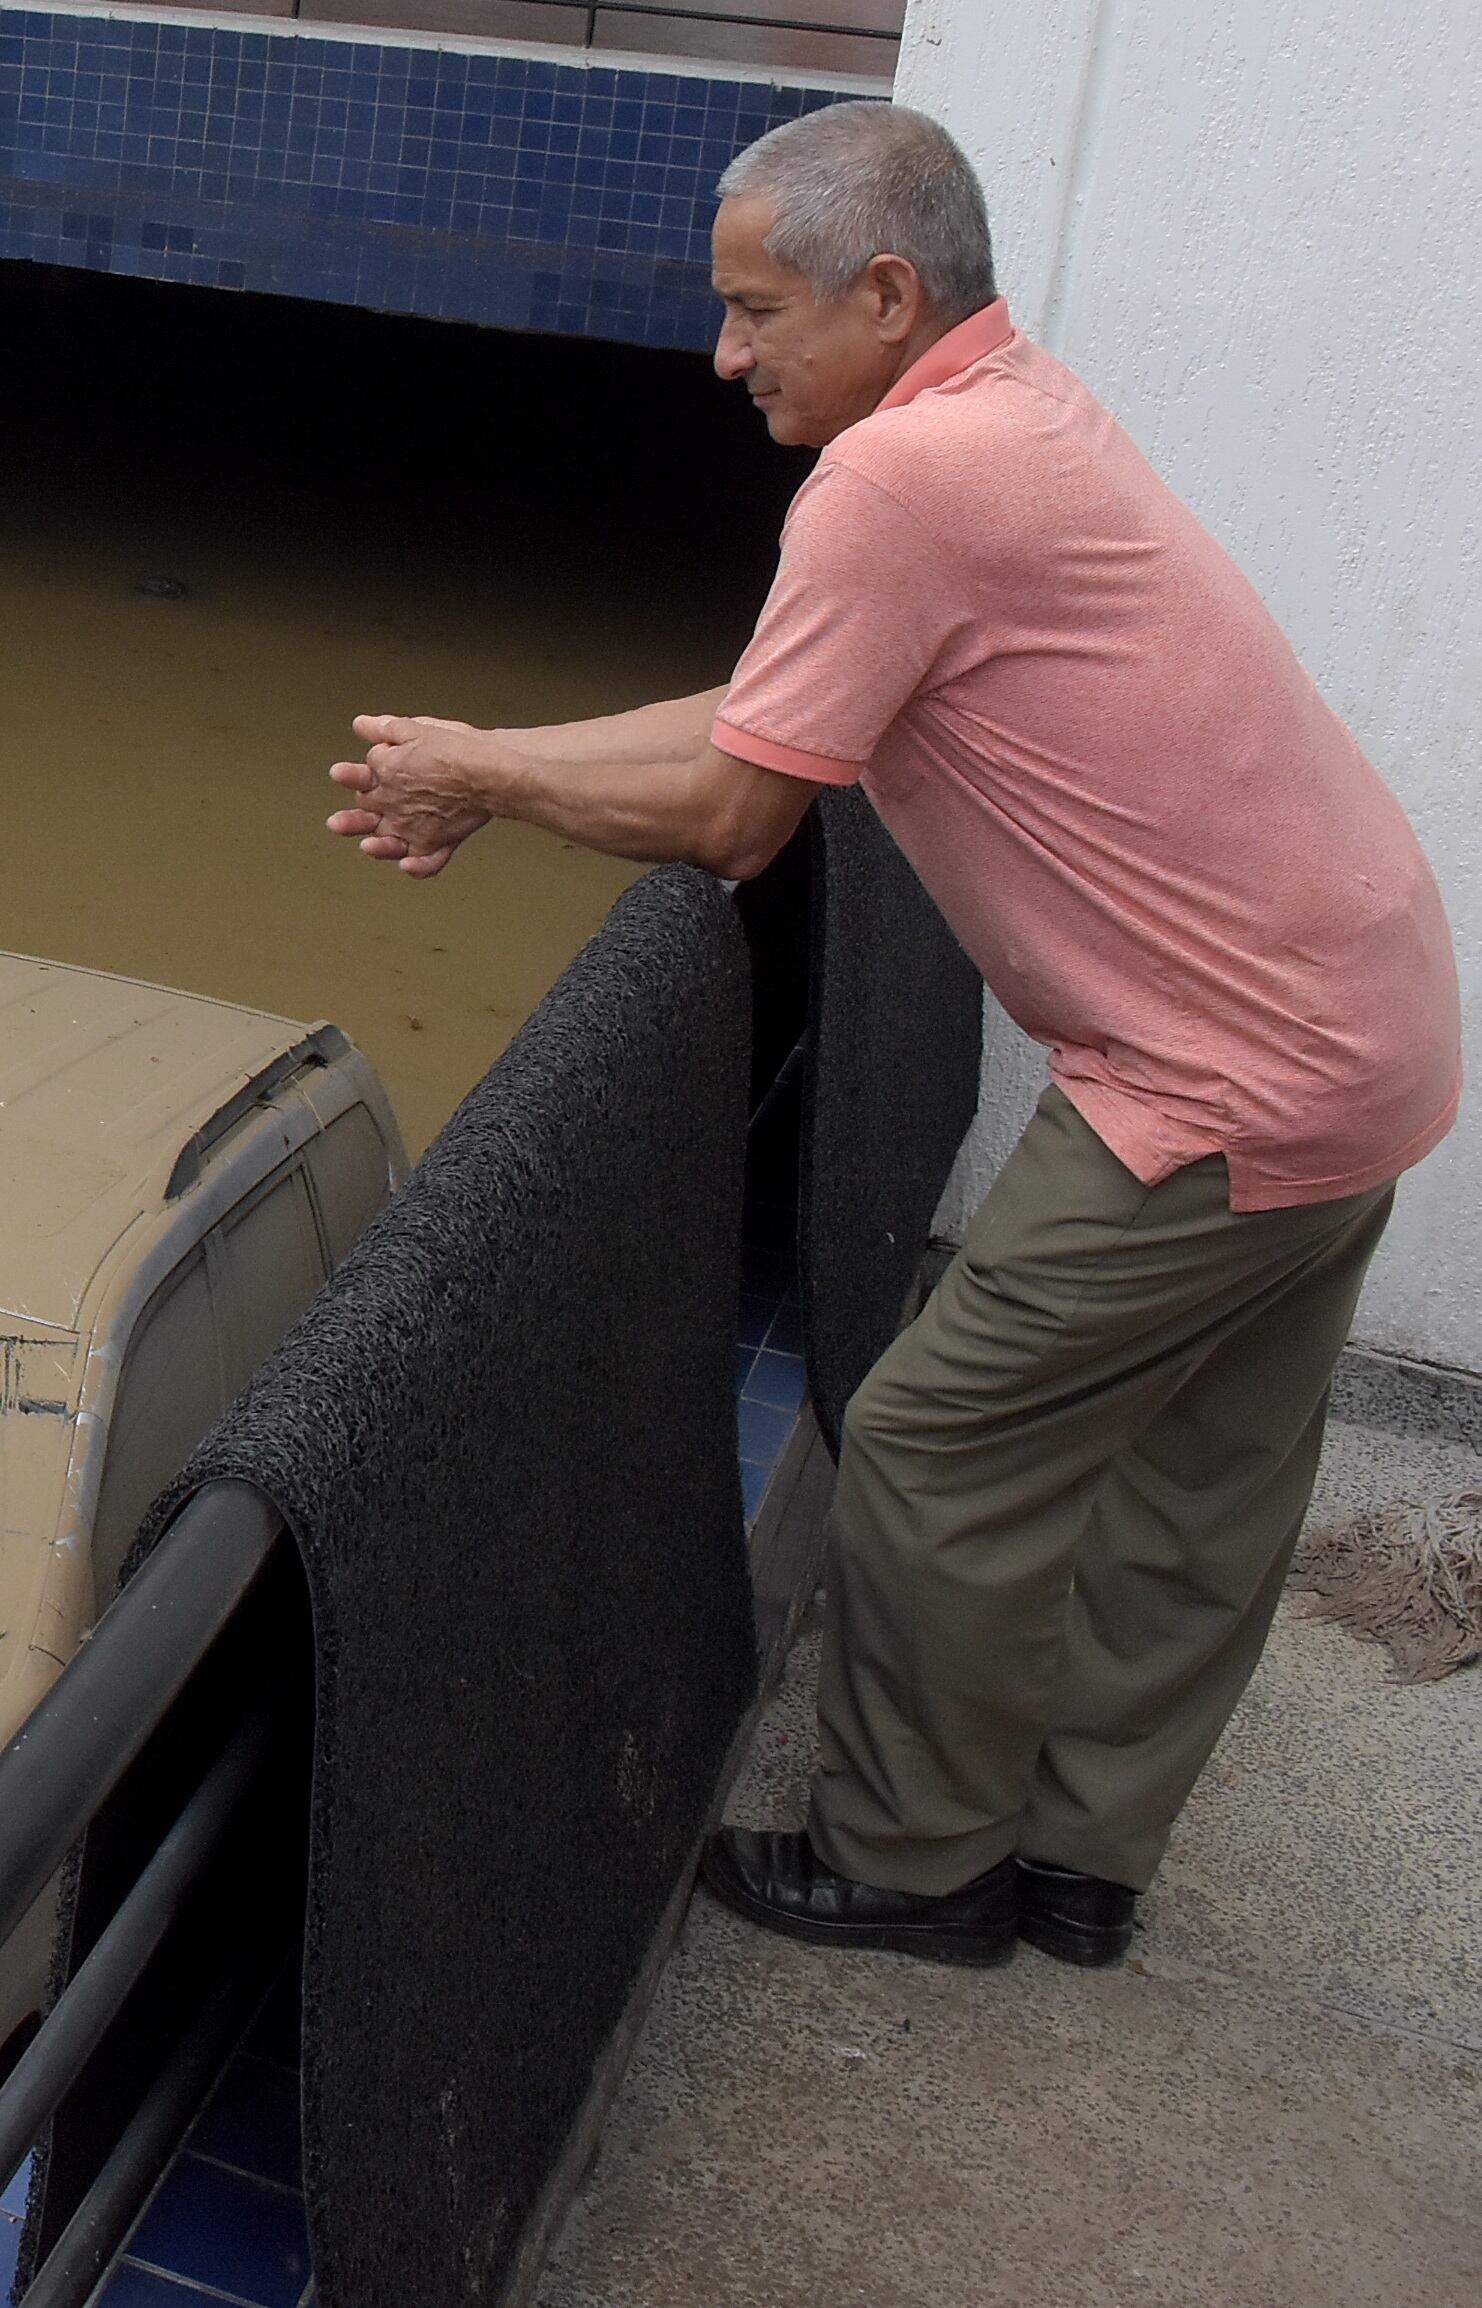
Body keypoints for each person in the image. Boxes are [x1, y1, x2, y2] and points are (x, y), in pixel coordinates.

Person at [322, 101, 1458, 1969]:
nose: (723, 352)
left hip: (1220, 1072)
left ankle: (912, 1858)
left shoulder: (895, 481)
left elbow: (729, 814)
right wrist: (495, 765)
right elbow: (775, 704)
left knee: (931, 1438)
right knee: (1205, 1470)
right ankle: (1085, 1858)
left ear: (883, 289)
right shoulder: (1011, 416)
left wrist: (484, 772)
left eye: (756, 309)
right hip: (1373, 1023)